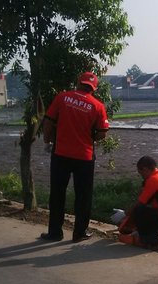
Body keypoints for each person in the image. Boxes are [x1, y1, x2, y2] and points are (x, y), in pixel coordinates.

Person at [40, 72, 109, 243]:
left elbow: (48, 121)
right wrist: (89, 137)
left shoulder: (62, 98)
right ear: (94, 88)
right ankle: (79, 233)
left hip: (60, 154)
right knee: (83, 196)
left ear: (78, 83)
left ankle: (55, 232)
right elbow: (102, 134)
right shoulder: (98, 106)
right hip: (84, 158)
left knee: (57, 194)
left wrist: (47, 139)